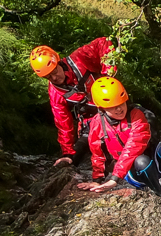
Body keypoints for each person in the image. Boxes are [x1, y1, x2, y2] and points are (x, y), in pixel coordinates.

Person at [76, 76, 161, 216]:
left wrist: (114, 178)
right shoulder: (97, 124)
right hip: (134, 172)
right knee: (141, 161)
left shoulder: (137, 114)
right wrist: (97, 180)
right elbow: (98, 154)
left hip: (154, 164)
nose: (119, 109)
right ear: (102, 109)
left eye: (121, 103)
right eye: (112, 107)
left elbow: (134, 145)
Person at [29, 38, 115, 168]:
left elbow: (103, 42)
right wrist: (67, 153)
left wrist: (108, 76)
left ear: (58, 63)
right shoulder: (55, 92)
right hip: (91, 120)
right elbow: (63, 123)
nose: (54, 78)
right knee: (81, 151)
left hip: (113, 106)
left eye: (54, 72)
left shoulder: (79, 58)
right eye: (48, 77)